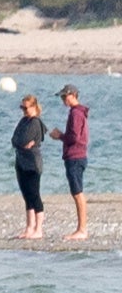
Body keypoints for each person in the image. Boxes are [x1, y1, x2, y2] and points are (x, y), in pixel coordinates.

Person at [51, 84, 90, 240]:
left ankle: (82, 229)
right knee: (77, 193)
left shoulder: (76, 113)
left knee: (77, 193)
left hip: (75, 156)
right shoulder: (78, 112)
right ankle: (81, 228)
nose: (63, 100)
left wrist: (59, 135)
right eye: (62, 97)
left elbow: (74, 137)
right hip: (77, 156)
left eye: (65, 96)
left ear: (73, 95)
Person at [13, 95, 49, 239]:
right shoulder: (23, 121)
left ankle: (38, 229)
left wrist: (25, 143)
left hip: (32, 163)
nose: (24, 110)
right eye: (22, 107)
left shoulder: (35, 122)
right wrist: (21, 143)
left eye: (26, 107)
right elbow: (15, 139)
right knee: (26, 195)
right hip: (21, 161)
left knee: (34, 195)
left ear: (34, 107)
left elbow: (23, 139)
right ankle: (29, 227)